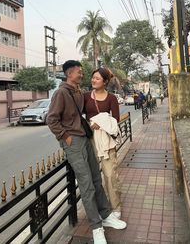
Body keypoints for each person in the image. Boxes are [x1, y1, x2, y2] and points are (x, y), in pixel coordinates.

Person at [47, 60, 127, 244]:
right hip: (73, 142)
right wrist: (65, 137)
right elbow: (51, 119)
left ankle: (106, 215)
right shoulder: (61, 93)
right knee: (87, 184)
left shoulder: (77, 93)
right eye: (79, 72)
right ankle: (96, 227)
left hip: (85, 138)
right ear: (69, 74)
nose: (83, 75)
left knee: (96, 180)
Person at [84, 68, 122, 219]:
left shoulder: (111, 98)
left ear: (105, 82)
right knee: (93, 177)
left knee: (110, 175)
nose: (93, 80)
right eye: (93, 78)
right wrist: (90, 124)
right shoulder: (86, 96)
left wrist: (101, 124)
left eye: (97, 78)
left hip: (106, 141)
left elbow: (116, 120)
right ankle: (99, 209)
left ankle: (116, 207)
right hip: (90, 140)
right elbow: (79, 115)